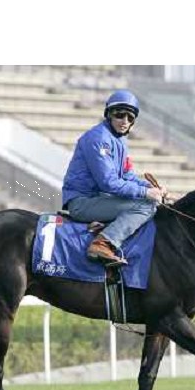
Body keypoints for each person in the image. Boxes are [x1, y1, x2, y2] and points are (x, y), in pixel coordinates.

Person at [62, 90, 166, 266]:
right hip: (82, 202)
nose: (125, 121)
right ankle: (102, 243)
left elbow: (126, 175)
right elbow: (108, 182)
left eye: (130, 117)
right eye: (119, 115)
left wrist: (152, 188)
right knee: (146, 206)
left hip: (100, 198)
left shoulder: (119, 140)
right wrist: (146, 193)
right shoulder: (98, 139)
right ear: (109, 115)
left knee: (150, 200)